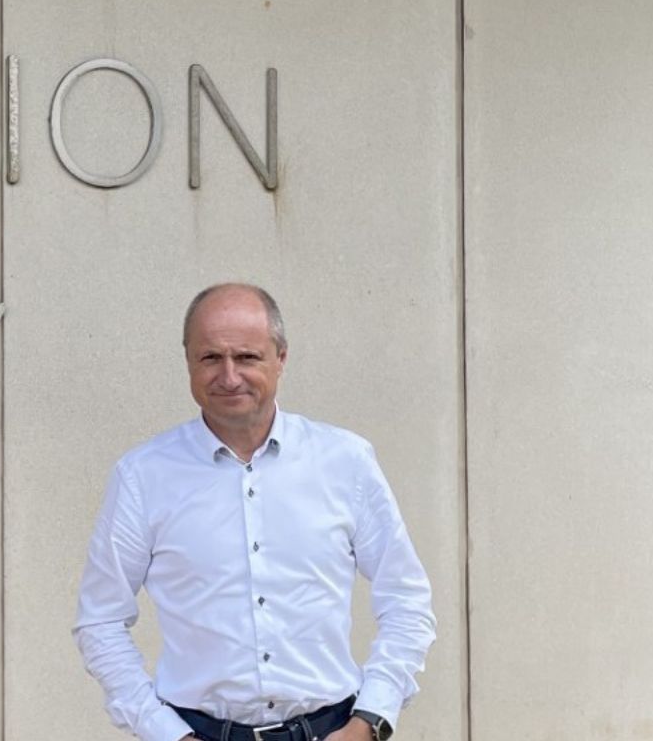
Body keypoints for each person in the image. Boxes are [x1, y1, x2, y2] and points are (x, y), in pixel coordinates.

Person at [74, 284, 435, 741]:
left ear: (280, 358)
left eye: (246, 357)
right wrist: (165, 733)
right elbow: (100, 621)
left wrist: (370, 721)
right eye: (210, 358)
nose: (229, 376)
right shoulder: (142, 477)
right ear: (188, 362)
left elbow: (406, 599)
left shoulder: (346, 462)